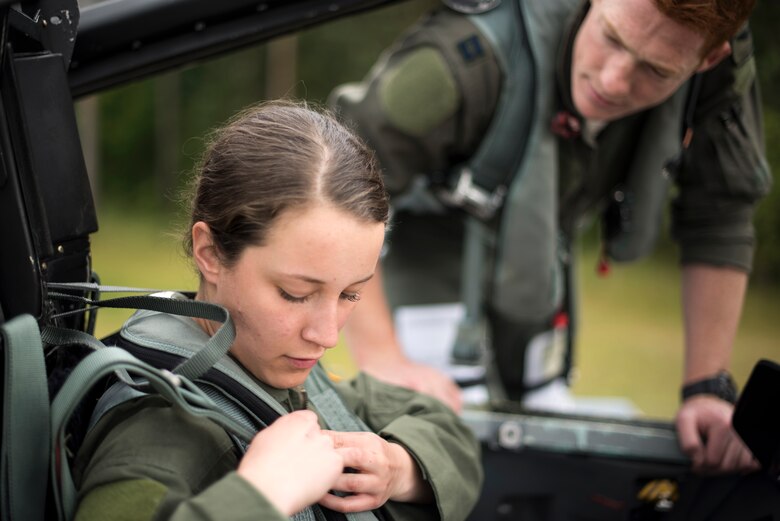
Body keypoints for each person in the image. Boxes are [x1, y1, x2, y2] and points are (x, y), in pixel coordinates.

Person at [330, 0, 770, 473]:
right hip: (419, 287)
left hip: (538, 297)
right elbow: (338, 184)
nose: (612, 81)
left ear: (708, 58)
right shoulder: (461, 58)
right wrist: (381, 358)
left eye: (657, 70)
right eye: (612, 38)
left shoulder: (719, 72)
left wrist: (705, 387)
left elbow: (720, 211)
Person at [71, 100, 483, 521]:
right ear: (209, 253)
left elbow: (445, 429)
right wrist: (263, 493)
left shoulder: (279, 372)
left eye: (350, 295)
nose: (327, 336)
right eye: (295, 293)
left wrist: (398, 467)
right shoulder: (155, 428)